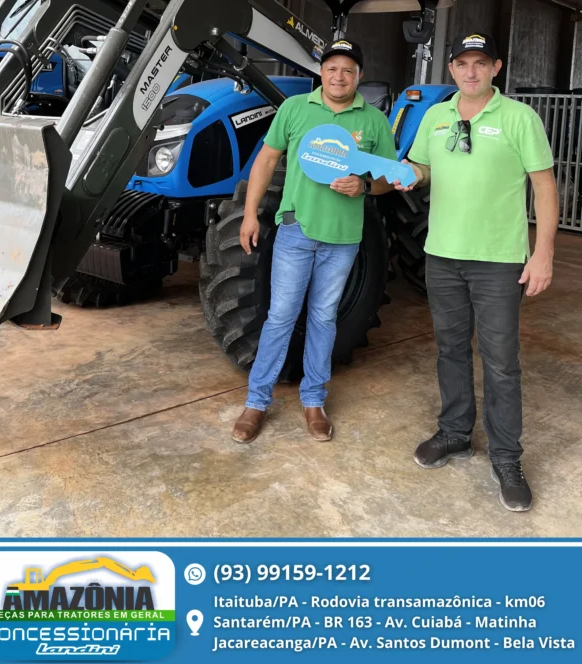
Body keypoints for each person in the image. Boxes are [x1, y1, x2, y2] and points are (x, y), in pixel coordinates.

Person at [397, 32, 558, 512]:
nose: (471, 72)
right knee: (450, 350)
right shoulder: (435, 116)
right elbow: (422, 167)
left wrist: (543, 253)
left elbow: (544, 187)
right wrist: (408, 174)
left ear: (496, 68)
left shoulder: (519, 118)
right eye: (463, 63)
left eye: (480, 63)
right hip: (442, 255)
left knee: (501, 361)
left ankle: (507, 457)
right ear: (451, 69)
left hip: (498, 260)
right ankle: (455, 433)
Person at [231, 39, 397, 444]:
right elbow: (266, 160)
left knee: (323, 319)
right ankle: (256, 402)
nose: (339, 76)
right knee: (281, 317)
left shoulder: (373, 120)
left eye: (348, 70)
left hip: (343, 239)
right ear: (321, 73)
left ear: (358, 76)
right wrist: (250, 214)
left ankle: (313, 401)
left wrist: (364, 186)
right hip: (296, 231)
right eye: (332, 68)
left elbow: (388, 179)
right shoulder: (294, 109)